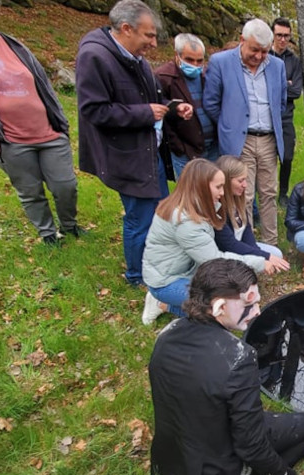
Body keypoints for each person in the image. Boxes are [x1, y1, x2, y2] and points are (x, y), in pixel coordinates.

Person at [149, 258, 304, 475]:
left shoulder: (168, 333)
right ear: (219, 306)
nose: (257, 312)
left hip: (179, 457)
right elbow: (250, 445)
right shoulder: (238, 358)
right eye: (248, 305)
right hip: (218, 463)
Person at [76, 0, 193, 286]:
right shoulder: (95, 57)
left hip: (149, 152)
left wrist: (173, 107)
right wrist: (144, 114)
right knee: (140, 218)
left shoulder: (134, 57)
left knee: (159, 212)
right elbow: (93, 110)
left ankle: (155, 266)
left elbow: (150, 99)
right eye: (148, 35)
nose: (153, 43)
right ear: (126, 29)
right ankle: (138, 276)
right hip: (126, 156)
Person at [0, 0, 81, 245]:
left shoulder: (12, 43)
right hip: (9, 139)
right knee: (31, 191)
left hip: (48, 132)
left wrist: (61, 123)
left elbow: (43, 83)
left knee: (66, 185)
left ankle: (70, 226)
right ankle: (48, 234)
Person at [141, 160, 273, 326]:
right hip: (167, 281)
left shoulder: (198, 206)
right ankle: (163, 303)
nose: (222, 192)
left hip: (187, 271)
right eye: (218, 187)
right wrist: (259, 262)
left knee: (226, 304)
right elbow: (214, 260)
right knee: (217, 311)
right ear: (201, 187)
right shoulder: (185, 222)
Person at [203, 18, 287, 246]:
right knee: (243, 194)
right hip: (240, 139)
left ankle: (271, 244)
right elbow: (211, 103)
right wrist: (229, 125)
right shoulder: (221, 62)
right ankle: (246, 245)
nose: (259, 56)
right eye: (254, 50)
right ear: (242, 40)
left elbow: (281, 102)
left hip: (268, 139)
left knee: (269, 193)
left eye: (264, 52)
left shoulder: (277, 65)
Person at [154, 33, 218, 177]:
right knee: (191, 196)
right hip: (185, 151)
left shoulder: (208, 74)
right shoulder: (163, 77)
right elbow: (158, 110)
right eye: (189, 60)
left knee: (213, 193)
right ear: (177, 55)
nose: (195, 65)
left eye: (199, 61)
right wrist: (178, 146)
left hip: (213, 147)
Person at [214, 155, 290, 270]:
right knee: (267, 257)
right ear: (226, 181)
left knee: (276, 253)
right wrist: (264, 256)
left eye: (245, 179)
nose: (245, 185)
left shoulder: (237, 200)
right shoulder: (217, 209)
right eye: (240, 181)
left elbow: (247, 232)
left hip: (240, 247)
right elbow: (230, 245)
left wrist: (259, 253)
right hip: (227, 255)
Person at [269, 17, 303, 207]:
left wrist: (278, 87)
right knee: (266, 158)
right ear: (272, 35)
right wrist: (284, 84)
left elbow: (296, 91)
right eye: (279, 35)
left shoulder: (294, 61)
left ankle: (283, 192)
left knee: (287, 156)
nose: (283, 40)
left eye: (286, 36)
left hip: (286, 116)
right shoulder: (265, 55)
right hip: (266, 116)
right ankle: (265, 192)